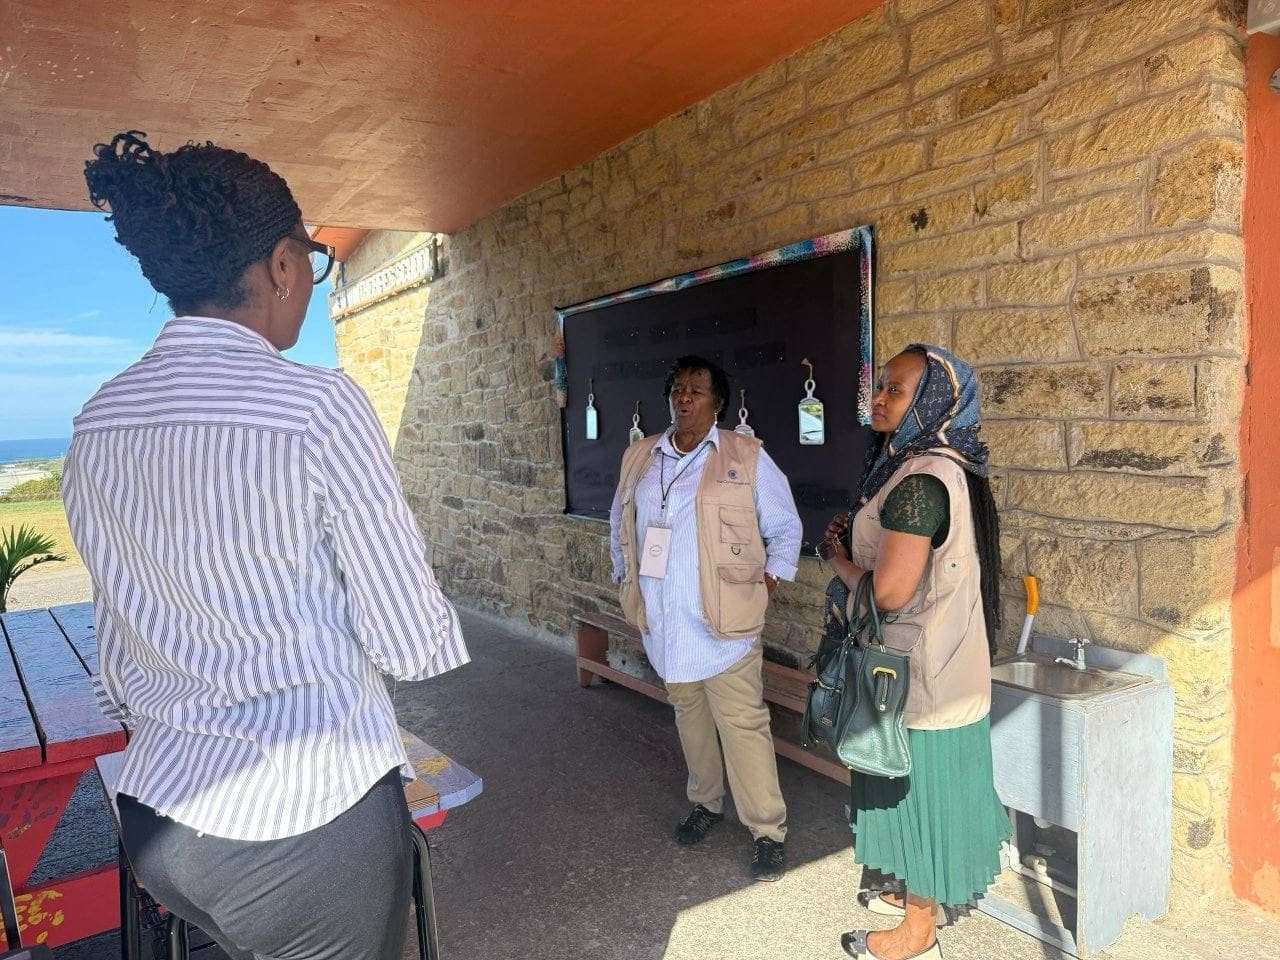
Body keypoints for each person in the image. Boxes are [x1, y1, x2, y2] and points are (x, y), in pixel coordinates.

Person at [65, 131, 469, 960]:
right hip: (307, 826)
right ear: (284, 265)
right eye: (313, 263)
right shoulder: (317, 407)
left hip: (162, 823)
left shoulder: (98, 421)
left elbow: (118, 647)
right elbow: (409, 640)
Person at [820, 345, 1009, 960]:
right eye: (878, 386)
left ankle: (918, 931)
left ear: (931, 402)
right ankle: (914, 892)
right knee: (914, 789)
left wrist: (839, 562)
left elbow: (890, 592)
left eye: (895, 390)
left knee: (920, 795)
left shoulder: (921, 479)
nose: (878, 399)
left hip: (916, 674)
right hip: (940, 662)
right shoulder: (934, 465)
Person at [608, 355, 802, 881]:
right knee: (689, 717)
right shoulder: (641, 456)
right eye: (677, 388)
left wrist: (764, 584)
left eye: (696, 389)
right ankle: (706, 802)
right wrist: (624, 578)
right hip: (665, 622)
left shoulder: (745, 455)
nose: (684, 397)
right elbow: (619, 521)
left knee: (742, 724)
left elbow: (785, 527)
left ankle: (767, 831)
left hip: (724, 625)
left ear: (718, 402)